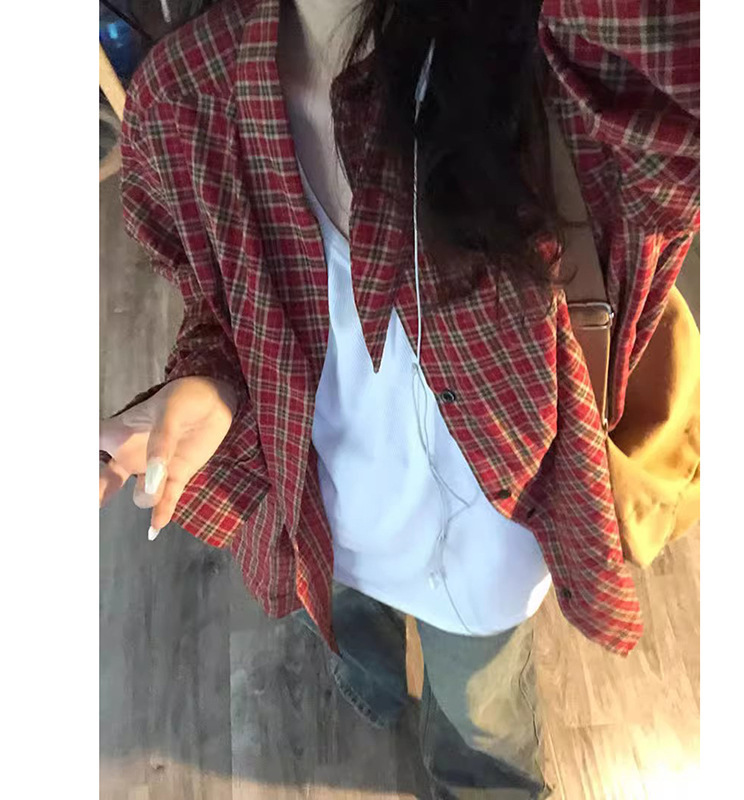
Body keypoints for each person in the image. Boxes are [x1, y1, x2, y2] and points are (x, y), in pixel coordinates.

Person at [99, 0, 700, 796]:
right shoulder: (187, 91)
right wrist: (208, 379)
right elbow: (220, 301)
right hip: (322, 501)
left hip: (491, 531)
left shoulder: (556, 77)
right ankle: (372, 679)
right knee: (353, 628)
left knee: (481, 722)